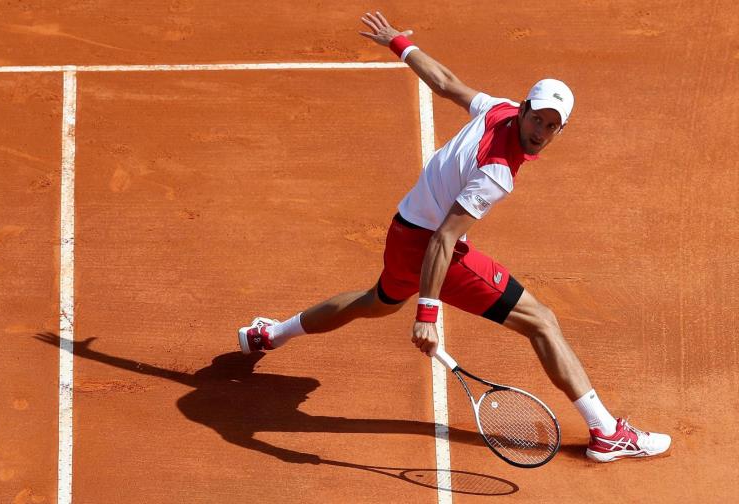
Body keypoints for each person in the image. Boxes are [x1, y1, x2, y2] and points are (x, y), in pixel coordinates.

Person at [237, 11, 670, 463]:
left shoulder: (498, 110)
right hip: (428, 247)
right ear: (524, 108)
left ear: (561, 128)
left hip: (402, 231)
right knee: (541, 321)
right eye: (537, 119)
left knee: (374, 302)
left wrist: (399, 44)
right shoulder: (496, 174)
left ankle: (271, 334)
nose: (540, 132)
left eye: (551, 125)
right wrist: (427, 313)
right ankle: (606, 432)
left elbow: (445, 83)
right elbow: (443, 240)